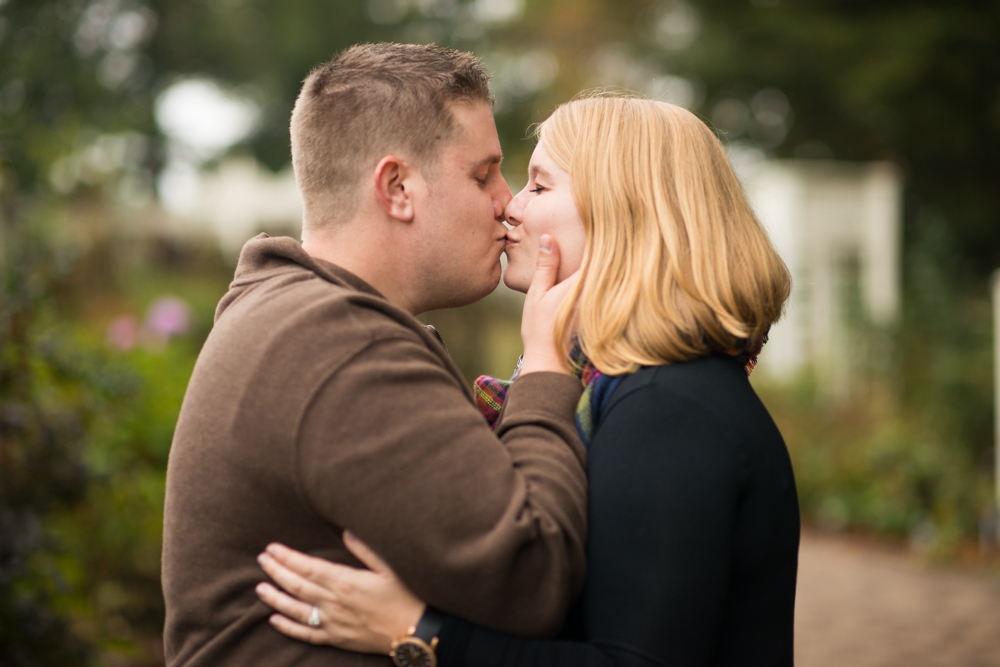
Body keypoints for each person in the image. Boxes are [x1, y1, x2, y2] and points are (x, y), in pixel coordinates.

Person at [254, 95, 800, 667]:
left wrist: (417, 631)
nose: (509, 206)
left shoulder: (669, 407)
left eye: (539, 187)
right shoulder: (635, 390)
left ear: (626, 212)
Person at [161, 43, 592, 667]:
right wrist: (547, 367)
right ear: (397, 188)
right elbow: (533, 575)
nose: (507, 201)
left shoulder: (297, 316)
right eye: (482, 174)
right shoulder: (338, 344)